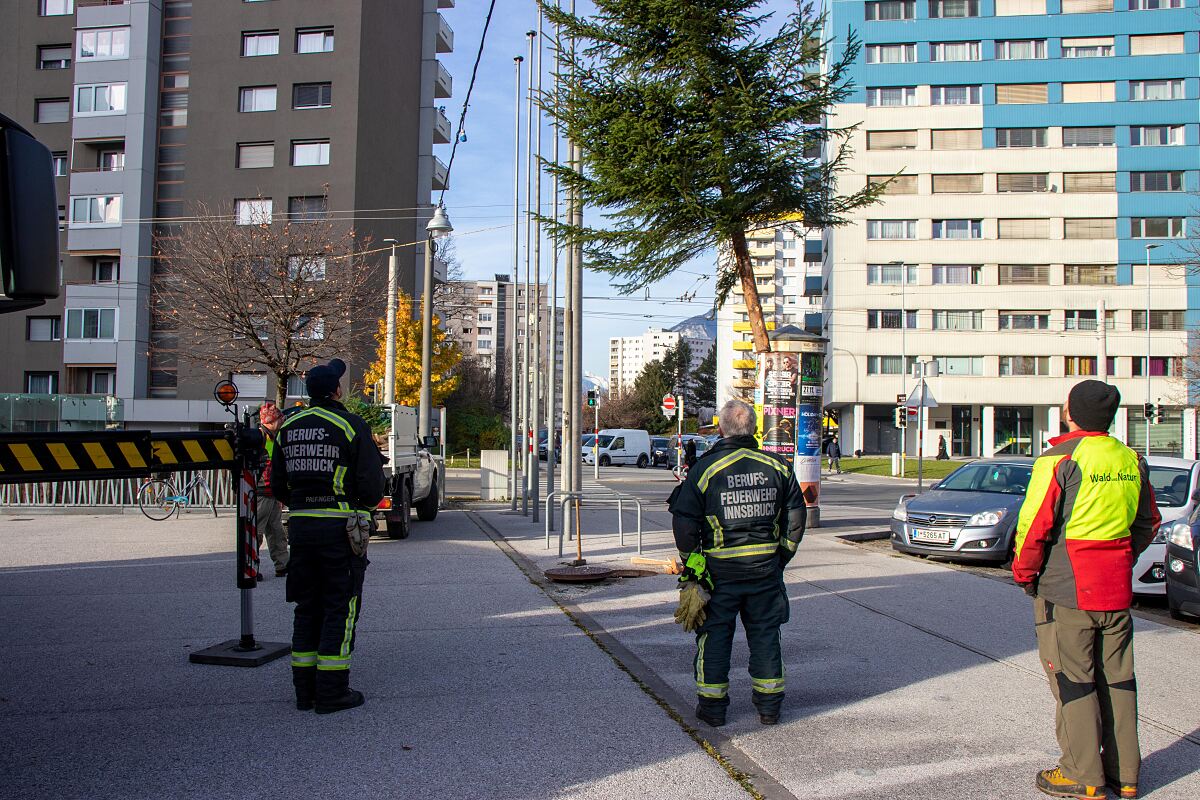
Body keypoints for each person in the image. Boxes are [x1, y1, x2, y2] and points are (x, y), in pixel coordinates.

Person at [1012, 380, 1159, 800]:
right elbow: (1148, 522)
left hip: (1067, 588)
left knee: (1073, 680)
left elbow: (1034, 526)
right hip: (1115, 588)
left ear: (1072, 412)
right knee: (1118, 679)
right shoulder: (1131, 459)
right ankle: (1124, 775)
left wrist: (1025, 574)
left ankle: (1082, 774)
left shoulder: (1059, 458)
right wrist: (1120, 560)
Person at [668, 399, 807, 727]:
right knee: (765, 635)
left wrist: (694, 565)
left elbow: (684, 522)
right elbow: (796, 519)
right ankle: (769, 707)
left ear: (720, 428)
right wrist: (781, 557)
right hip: (765, 571)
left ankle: (713, 710)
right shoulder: (779, 467)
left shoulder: (705, 469)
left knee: (715, 637)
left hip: (719, 575)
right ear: (756, 429)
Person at [271, 358, 385, 714]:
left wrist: (302, 504)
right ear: (336, 391)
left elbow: (276, 482)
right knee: (341, 605)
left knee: (307, 606)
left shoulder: (288, 427)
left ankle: (304, 692)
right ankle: (333, 691)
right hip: (339, 529)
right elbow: (371, 485)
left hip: (302, 528)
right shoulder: (350, 424)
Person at [256, 402, 290, 578]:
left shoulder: (274, 436)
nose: (283, 421)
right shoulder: (260, 437)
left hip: (272, 492)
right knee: (256, 532)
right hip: (262, 492)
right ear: (271, 421)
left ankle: (282, 565)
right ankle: (251, 568)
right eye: (279, 418)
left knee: (276, 531)